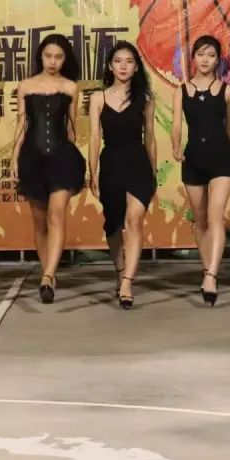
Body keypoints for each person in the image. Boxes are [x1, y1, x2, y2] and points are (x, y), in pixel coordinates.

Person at [11, 34, 85, 304]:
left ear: (65, 59)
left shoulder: (70, 87)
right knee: (40, 221)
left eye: (58, 57)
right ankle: (48, 275)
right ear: (40, 57)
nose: (53, 61)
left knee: (56, 215)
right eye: (48, 56)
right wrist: (14, 159)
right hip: (32, 158)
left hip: (62, 158)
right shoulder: (26, 86)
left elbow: (71, 129)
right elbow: (21, 125)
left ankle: (48, 276)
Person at [172, 35, 230, 307]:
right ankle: (207, 269)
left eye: (211, 55)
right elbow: (177, 125)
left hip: (221, 158)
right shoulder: (181, 90)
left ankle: (212, 276)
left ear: (217, 60)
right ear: (193, 58)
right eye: (200, 54)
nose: (205, 60)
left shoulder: (227, 91)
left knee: (215, 218)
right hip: (193, 158)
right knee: (199, 221)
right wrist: (176, 145)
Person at [88, 41, 156, 309]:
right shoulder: (98, 98)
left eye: (129, 61)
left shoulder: (145, 98)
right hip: (111, 164)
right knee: (114, 225)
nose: (123, 66)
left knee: (134, 220)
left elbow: (150, 138)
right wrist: (92, 170)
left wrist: (153, 173)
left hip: (138, 163)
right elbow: (95, 138)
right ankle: (119, 271)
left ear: (136, 67)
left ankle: (127, 282)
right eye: (118, 61)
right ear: (110, 66)